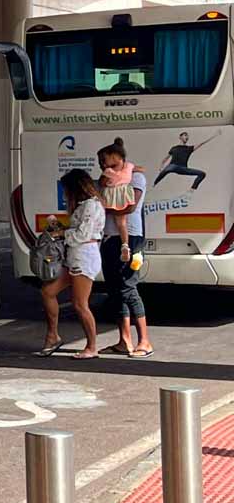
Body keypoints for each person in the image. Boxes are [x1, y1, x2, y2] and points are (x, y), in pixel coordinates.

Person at [37, 168, 106, 360]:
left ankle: (92, 346)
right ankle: (53, 336)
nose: (65, 193)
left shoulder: (91, 206)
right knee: (48, 291)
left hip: (83, 257)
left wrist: (60, 233)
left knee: (80, 304)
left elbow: (82, 235)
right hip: (75, 257)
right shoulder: (85, 205)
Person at [97, 139, 154, 357]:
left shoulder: (136, 177)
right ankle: (124, 341)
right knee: (114, 289)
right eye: (100, 161)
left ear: (118, 157)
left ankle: (145, 341)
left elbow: (130, 206)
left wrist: (107, 207)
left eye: (106, 159)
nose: (102, 164)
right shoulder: (105, 178)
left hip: (131, 237)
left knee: (128, 287)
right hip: (108, 237)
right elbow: (97, 196)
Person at [97, 136, 141, 264]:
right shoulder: (129, 168)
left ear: (115, 156)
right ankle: (125, 246)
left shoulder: (108, 172)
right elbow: (140, 169)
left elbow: (102, 183)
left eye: (104, 160)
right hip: (123, 196)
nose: (103, 164)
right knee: (122, 224)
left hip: (111, 197)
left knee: (99, 218)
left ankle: (100, 244)